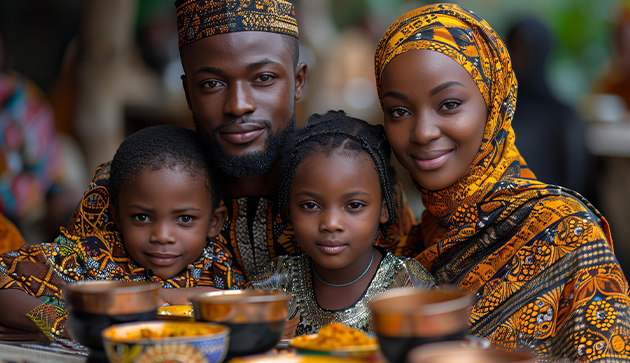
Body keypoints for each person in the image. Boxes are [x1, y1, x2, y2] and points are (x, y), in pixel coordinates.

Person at [60, 0, 420, 284]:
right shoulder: (130, 187)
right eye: (211, 84)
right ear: (188, 92)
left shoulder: (356, 186)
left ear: (298, 81)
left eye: (263, 78)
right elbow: (43, 291)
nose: (238, 105)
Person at [374, 4, 630, 362]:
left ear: (494, 102)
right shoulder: (408, 245)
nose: (422, 132)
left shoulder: (568, 237)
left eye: (448, 104)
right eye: (399, 111)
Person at [0, 125, 243, 342]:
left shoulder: (219, 268)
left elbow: (242, 307)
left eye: (185, 219)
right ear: (117, 217)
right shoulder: (89, 258)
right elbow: (3, 283)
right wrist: (60, 321)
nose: (162, 236)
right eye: (142, 217)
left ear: (214, 222)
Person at [250, 110, 435, 337]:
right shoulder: (272, 288)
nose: (331, 223)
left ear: (384, 209)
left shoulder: (409, 288)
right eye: (310, 205)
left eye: (354, 205)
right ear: (289, 210)